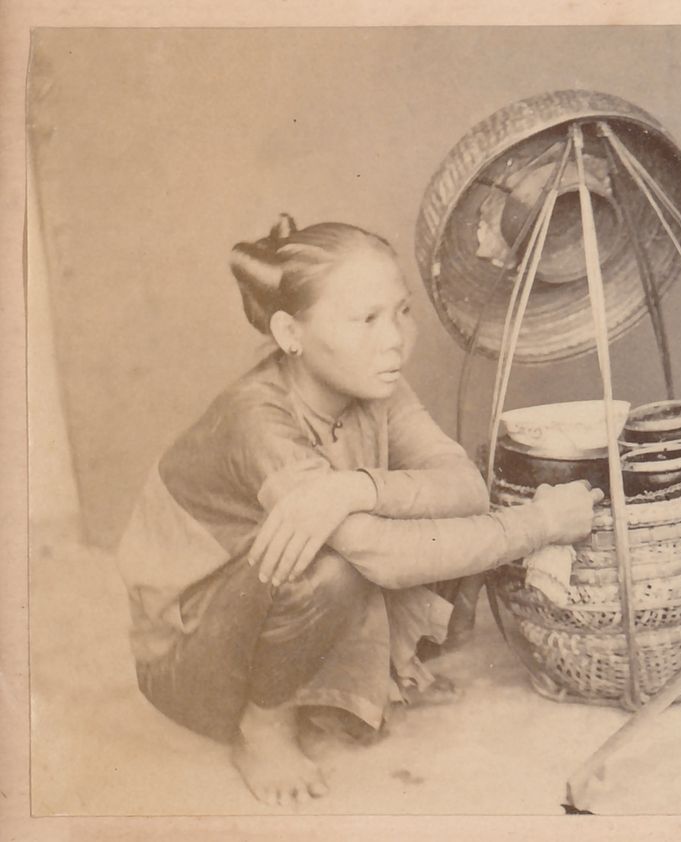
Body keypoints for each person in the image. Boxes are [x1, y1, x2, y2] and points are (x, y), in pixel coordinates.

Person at [114, 215, 600, 805]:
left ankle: (356, 676)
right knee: (341, 565)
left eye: (401, 312)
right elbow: (387, 560)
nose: (394, 338)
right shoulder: (257, 421)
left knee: (432, 516)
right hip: (187, 660)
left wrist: (356, 488)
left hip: (257, 611)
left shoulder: (376, 382)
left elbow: (464, 486)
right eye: (366, 319)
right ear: (291, 333)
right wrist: (538, 526)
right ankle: (263, 726)